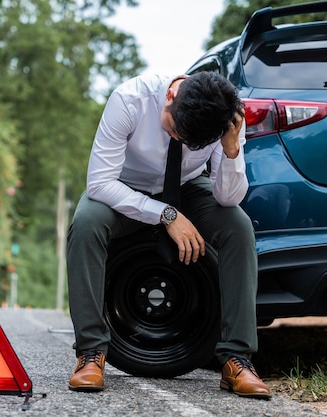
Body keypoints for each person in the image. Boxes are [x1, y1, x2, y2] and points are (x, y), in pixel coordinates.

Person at [66, 71, 271, 399]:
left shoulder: (226, 118)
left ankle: (237, 359)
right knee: (87, 222)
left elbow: (227, 198)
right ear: (171, 97)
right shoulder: (129, 100)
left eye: (187, 140)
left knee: (238, 226)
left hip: (187, 186)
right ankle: (91, 353)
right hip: (124, 187)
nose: (176, 138)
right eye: (173, 129)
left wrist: (231, 151)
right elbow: (100, 183)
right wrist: (166, 215)